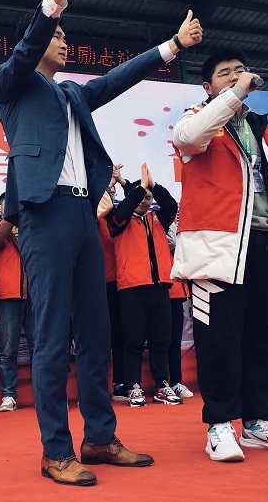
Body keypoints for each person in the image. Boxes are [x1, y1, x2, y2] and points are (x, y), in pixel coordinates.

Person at [0, 0, 202, 485]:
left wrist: (172, 46)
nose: (65, 42)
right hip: (43, 216)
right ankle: (55, 451)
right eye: (57, 36)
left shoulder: (73, 95)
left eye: (65, 35)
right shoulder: (11, 84)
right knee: (51, 336)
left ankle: (100, 438)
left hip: (85, 216)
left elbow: (118, 78)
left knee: (97, 332)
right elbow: (29, 44)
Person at [171, 48, 268, 462]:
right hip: (219, 249)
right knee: (219, 339)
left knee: (266, 335)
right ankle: (218, 425)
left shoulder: (266, 131)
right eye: (224, 73)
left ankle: (257, 422)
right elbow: (186, 139)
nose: (235, 77)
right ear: (207, 86)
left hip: (267, 245)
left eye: (240, 71)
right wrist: (234, 95)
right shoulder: (198, 119)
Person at [106, 164, 182, 407]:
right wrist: (138, 189)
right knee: (133, 341)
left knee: (161, 340)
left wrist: (153, 186)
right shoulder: (119, 220)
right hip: (131, 288)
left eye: (148, 197)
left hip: (159, 287)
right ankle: (133, 386)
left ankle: (161, 384)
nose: (143, 200)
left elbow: (171, 205)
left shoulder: (158, 219)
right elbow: (121, 212)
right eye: (140, 196)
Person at [0, 192, 34, 412]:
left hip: (35, 295)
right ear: (0, 208)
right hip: (8, 296)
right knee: (7, 350)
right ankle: (8, 395)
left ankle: (46, 395)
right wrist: (12, 218)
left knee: (40, 348)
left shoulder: (32, 226)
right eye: (10, 204)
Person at [96, 166, 127, 401]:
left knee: (119, 335)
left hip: (119, 282)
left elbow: (132, 200)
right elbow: (102, 204)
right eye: (108, 192)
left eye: (113, 193)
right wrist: (108, 184)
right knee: (98, 339)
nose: (111, 195)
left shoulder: (119, 218)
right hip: (96, 283)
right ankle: (95, 387)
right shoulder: (93, 214)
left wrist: (120, 182)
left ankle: (120, 383)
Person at [165, 221, 194, 398]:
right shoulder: (158, 221)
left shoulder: (176, 223)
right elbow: (171, 242)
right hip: (158, 288)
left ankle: (176, 382)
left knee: (175, 341)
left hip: (177, 289)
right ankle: (160, 383)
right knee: (161, 341)